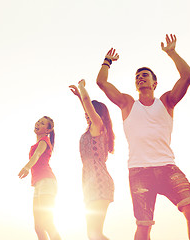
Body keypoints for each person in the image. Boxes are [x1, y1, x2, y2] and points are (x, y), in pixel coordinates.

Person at [96, 34, 190, 240]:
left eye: (145, 75)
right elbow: (101, 82)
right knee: (143, 226)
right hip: (139, 172)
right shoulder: (127, 104)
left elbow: (188, 75)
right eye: (137, 76)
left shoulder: (166, 102)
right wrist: (107, 61)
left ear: (155, 82)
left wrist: (172, 53)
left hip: (167, 167)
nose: (140, 78)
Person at [69, 79, 115, 240]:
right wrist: (79, 98)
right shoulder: (91, 130)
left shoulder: (98, 126)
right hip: (89, 183)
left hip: (99, 182)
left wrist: (82, 89)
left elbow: (89, 104)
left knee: (95, 233)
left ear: (97, 115)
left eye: (90, 112)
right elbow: (87, 106)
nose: (86, 115)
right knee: (92, 234)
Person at [18, 116, 61, 240]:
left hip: (47, 182)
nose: (38, 124)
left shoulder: (44, 141)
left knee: (47, 222)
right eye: (38, 121)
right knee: (38, 227)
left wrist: (27, 167)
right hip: (39, 184)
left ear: (48, 130)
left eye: (42, 123)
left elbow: (37, 155)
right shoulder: (39, 142)